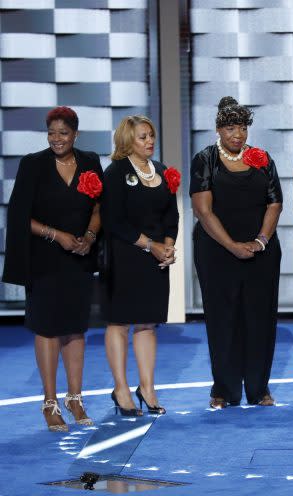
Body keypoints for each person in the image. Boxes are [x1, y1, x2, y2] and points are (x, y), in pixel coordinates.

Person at [2, 106, 102, 431]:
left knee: (74, 328)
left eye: (63, 133)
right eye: (52, 133)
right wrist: (56, 235)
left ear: (75, 133)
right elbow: (19, 217)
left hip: (79, 258)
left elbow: (99, 207)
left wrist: (89, 236)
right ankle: (50, 402)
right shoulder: (33, 165)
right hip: (43, 259)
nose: (57, 139)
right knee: (47, 327)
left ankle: (75, 398)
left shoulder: (90, 162)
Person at [191, 97, 283, 409]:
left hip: (262, 251)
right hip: (217, 251)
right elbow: (203, 211)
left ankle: (259, 389)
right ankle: (224, 390)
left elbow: (275, 203)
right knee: (222, 319)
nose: (238, 135)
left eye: (242, 128)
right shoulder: (205, 160)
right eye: (231, 128)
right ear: (218, 129)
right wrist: (232, 245)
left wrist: (259, 241)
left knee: (259, 318)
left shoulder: (262, 159)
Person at [102, 115, 179, 416]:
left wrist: (169, 246)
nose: (149, 141)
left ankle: (146, 387)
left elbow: (171, 216)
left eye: (151, 136)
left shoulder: (162, 171)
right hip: (125, 256)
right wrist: (152, 245)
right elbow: (114, 221)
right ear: (126, 141)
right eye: (142, 137)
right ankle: (121, 389)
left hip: (156, 259)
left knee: (147, 323)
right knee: (119, 322)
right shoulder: (116, 172)